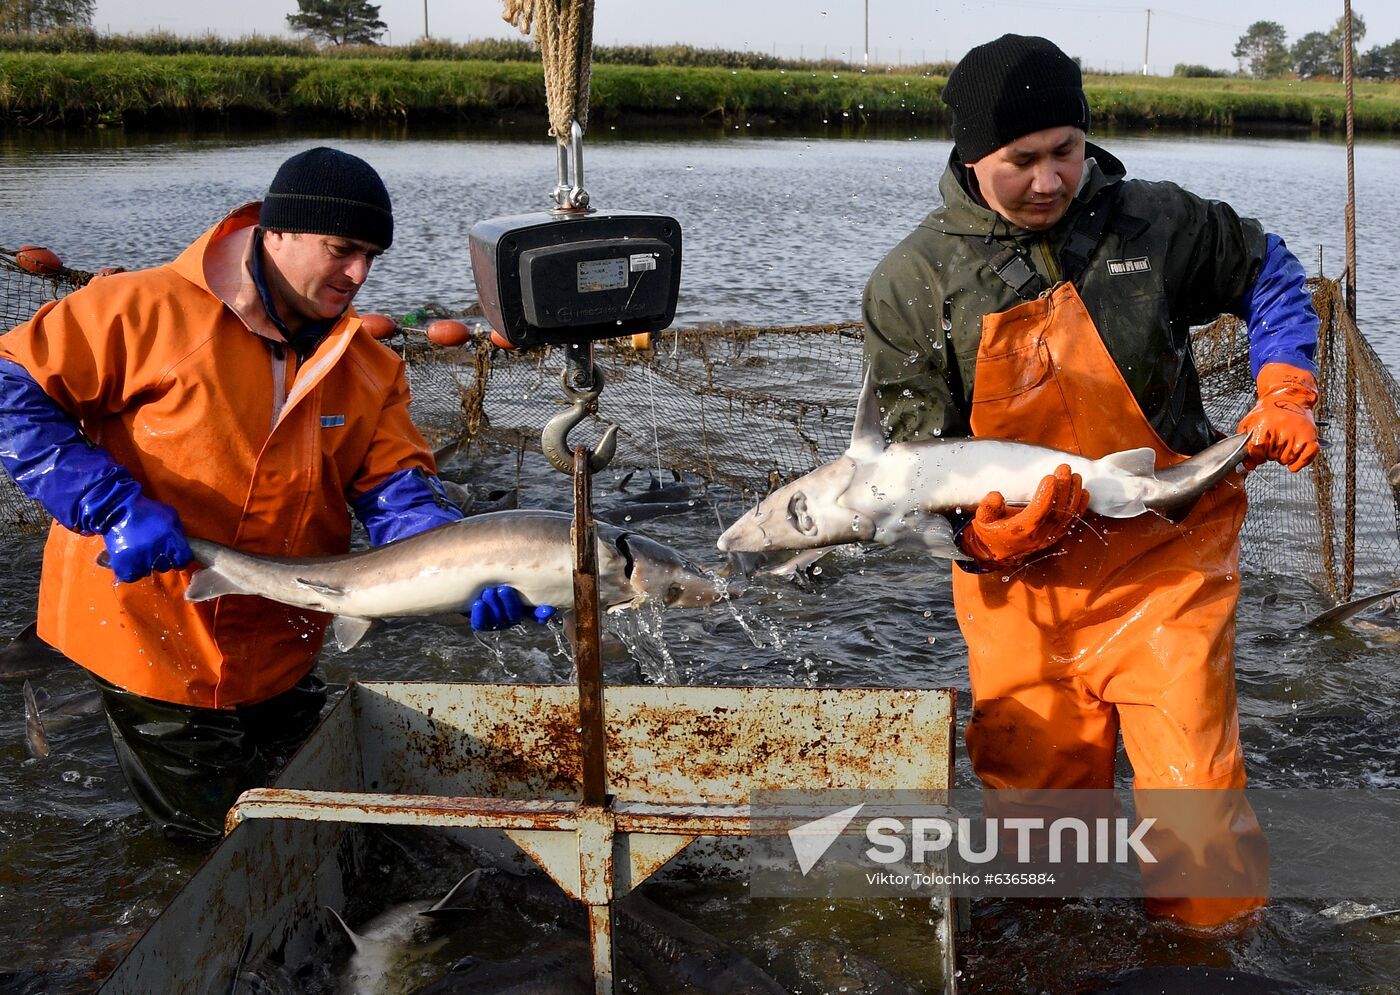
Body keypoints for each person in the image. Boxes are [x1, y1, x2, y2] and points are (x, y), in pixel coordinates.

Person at [863, 35, 1318, 928]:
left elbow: (1268, 269)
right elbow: (912, 473)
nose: (1048, 180)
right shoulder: (911, 284)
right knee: (1037, 835)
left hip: (1167, 561)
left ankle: (1206, 960)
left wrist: (1285, 383)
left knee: (1198, 812)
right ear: (968, 156)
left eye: (1065, 150)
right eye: (1020, 161)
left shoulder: (1154, 223)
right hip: (1020, 594)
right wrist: (985, 537)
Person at [0, 147, 550, 839]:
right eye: (342, 249)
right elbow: (9, 385)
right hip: (148, 634)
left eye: (371, 256)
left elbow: (399, 498)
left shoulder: (369, 367)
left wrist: (467, 571)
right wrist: (110, 505)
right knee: (222, 849)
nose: (358, 274)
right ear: (277, 231)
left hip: (282, 643)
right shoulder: (142, 309)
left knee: (340, 825)